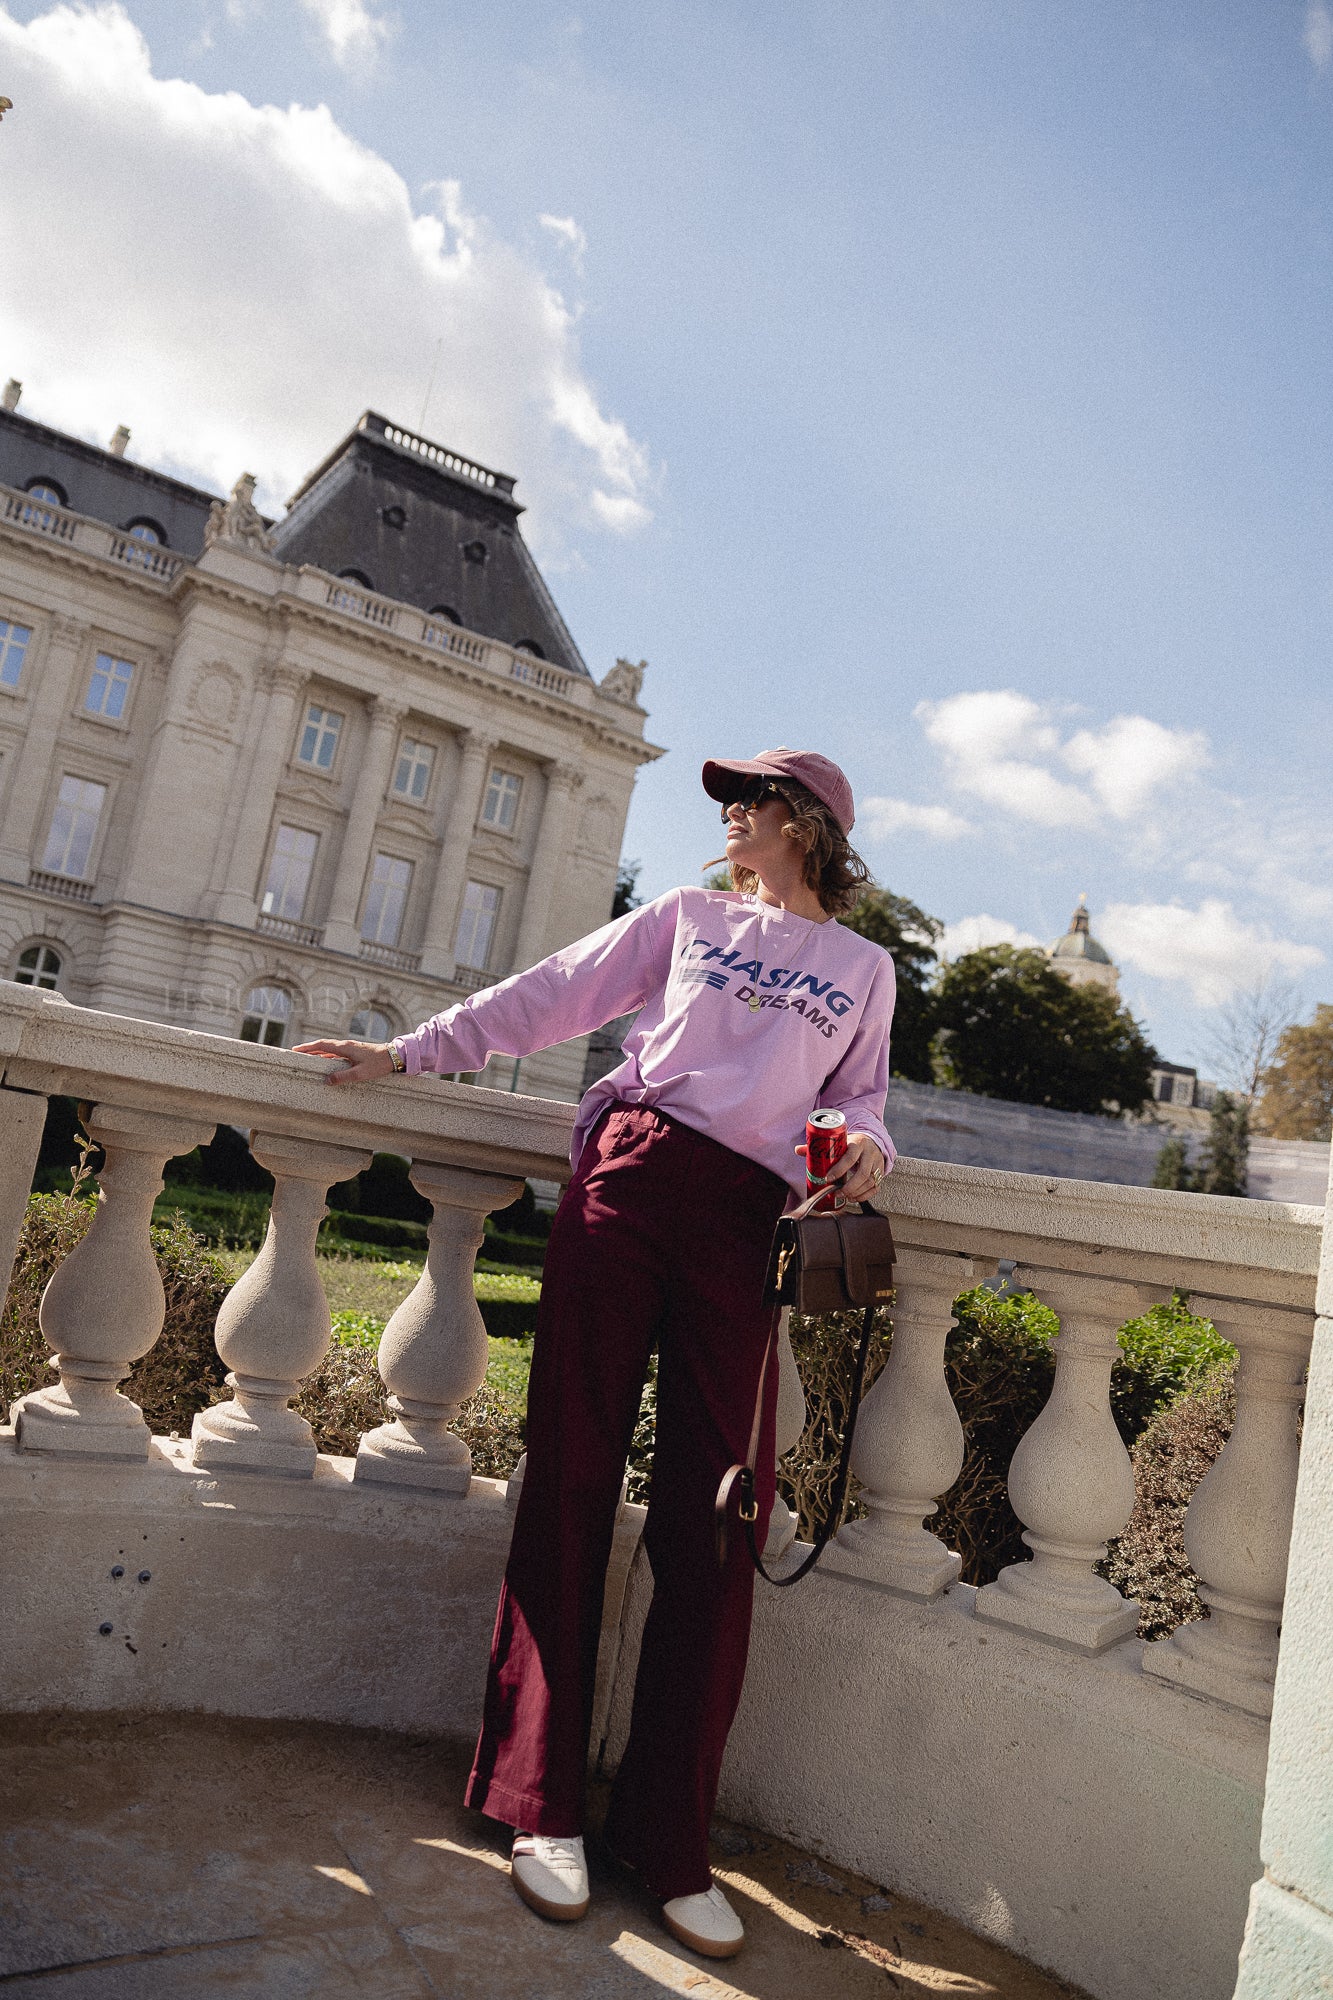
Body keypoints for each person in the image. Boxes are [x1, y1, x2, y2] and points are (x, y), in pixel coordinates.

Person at [295, 747, 896, 1961]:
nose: (730, 812)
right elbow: (549, 993)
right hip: (632, 1176)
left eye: (753, 798)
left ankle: (669, 1839)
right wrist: (403, 1051)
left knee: (717, 1519)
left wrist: (861, 1143)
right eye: (728, 796)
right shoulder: (686, 916)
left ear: (809, 826)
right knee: (569, 1473)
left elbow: (862, 1097)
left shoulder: (864, 968)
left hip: (745, 1225)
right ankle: (539, 1805)